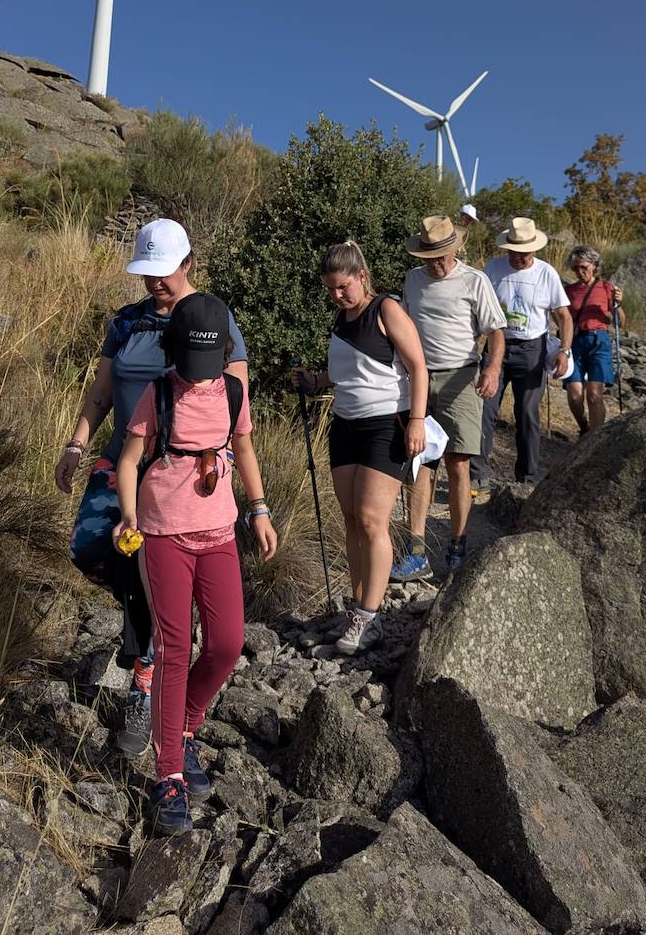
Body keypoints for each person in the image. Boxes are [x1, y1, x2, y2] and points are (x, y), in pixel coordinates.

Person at [54, 219, 249, 758]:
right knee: (91, 547)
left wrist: (249, 500)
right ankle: (150, 620)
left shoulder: (213, 321)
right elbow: (101, 391)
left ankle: (145, 677)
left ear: (188, 264)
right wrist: (76, 443)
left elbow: (234, 407)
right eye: (147, 274)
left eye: (164, 273)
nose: (155, 284)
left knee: (147, 570)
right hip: (123, 458)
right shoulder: (126, 322)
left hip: (182, 478)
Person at [112, 292, 277, 835]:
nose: (199, 373)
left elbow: (245, 450)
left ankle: (184, 726)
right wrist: (129, 518)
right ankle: (169, 776)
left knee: (228, 642)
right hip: (163, 535)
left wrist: (259, 511)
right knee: (174, 649)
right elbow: (131, 460)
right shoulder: (158, 392)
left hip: (220, 532)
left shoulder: (232, 390)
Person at [292, 240, 428, 655]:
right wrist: (316, 381)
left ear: (362, 277)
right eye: (331, 289)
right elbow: (349, 372)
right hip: (345, 425)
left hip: (386, 425)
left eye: (343, 287)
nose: (337, 295)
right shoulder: (340, 318)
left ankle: (370, 617)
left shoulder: (386, 309)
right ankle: (358, 611)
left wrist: (418, 420)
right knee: (351, 519)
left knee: (372, 519)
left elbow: (419, 365)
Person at [393, 216, 507, 578]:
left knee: (458, 464)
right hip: (420, 379)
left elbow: (496, 331)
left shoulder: (474, 280)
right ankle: (417, 552)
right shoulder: (413, 280)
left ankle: (458, 547)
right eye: (429, 256)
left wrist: (491, 370)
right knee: (421, 462)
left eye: (441, 256)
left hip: (463, 377)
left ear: (455, 249)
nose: (436, 263)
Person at [470, 217, 573, 486]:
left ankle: (527, 476)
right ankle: (477, 476)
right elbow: (478, 308)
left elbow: (563, 315)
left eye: (525, 252)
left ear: (534, 249)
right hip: (497, 345)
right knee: (485, 409)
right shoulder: (492, 268)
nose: (520, 257)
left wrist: (564, 350)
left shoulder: (546, 273)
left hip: (533, 347)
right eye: (515, 252)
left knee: (527, 411)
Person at [563, 245, 625, 434]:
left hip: (599, 342)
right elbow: (560, 317)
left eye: (583, 267)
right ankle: (584, 428)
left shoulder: (606, 288)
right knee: (574, 396)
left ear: (594, 265)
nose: (579, 272)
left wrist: (618, 305)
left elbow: (620, 322)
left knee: (595, 395)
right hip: (575, 343)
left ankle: (593, 439)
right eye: (575, 268)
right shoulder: (568, 290)